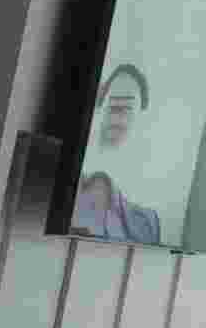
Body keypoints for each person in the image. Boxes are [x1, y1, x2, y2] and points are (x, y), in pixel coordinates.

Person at [72, 63, 167, 247]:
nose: (117, 115)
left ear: (144, 116)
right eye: (112, 104)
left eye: (127, 106)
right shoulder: (81, 186)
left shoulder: (148, 219)